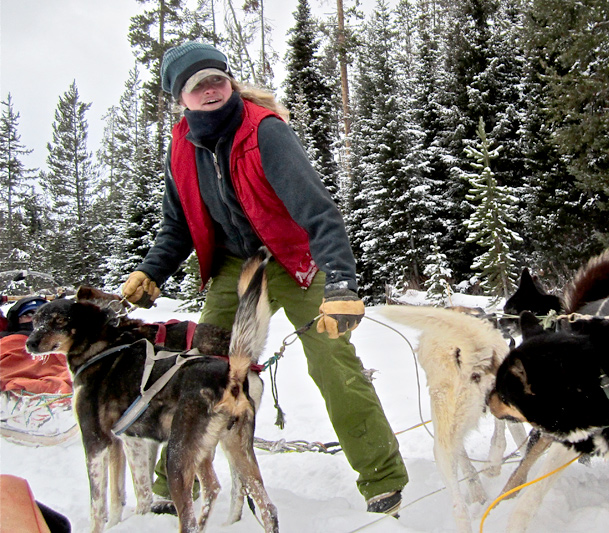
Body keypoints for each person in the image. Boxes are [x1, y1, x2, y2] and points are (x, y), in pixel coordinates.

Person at [121, 41, 408, 516]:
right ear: (180, 97)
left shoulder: (265, 133)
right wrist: (151, 272)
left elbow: (317, 210)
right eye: (197, 86)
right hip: (236, 264)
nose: (210, 90)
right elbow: (178, 224)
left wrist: (340, 284)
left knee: (331, 357)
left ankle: (382, 478)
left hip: (294, 258)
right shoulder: (181, 147)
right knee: (202, 364)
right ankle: (180, 479)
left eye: (216, 79)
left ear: (229, 81)